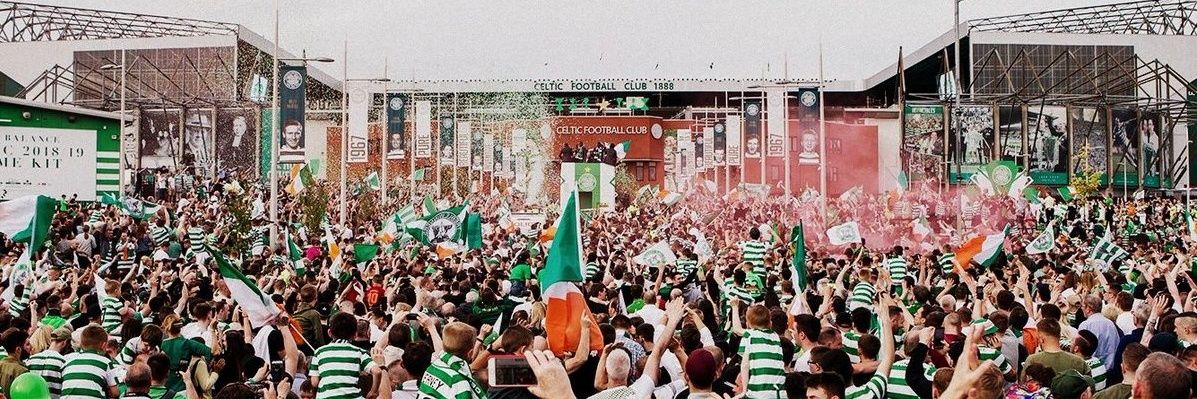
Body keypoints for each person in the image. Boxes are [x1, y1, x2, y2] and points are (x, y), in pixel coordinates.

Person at [310, 313, 383, 399]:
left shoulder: (319, 352)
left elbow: (314, 382)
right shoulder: (359, 352)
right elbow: (377, 371)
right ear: (355, 335)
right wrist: (373, 392)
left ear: (329, 333)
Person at [60, 325, 119, 399]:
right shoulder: (106, 362)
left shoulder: (69, 359)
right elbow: (115, 392)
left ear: (81, 344)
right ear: (104, 345)